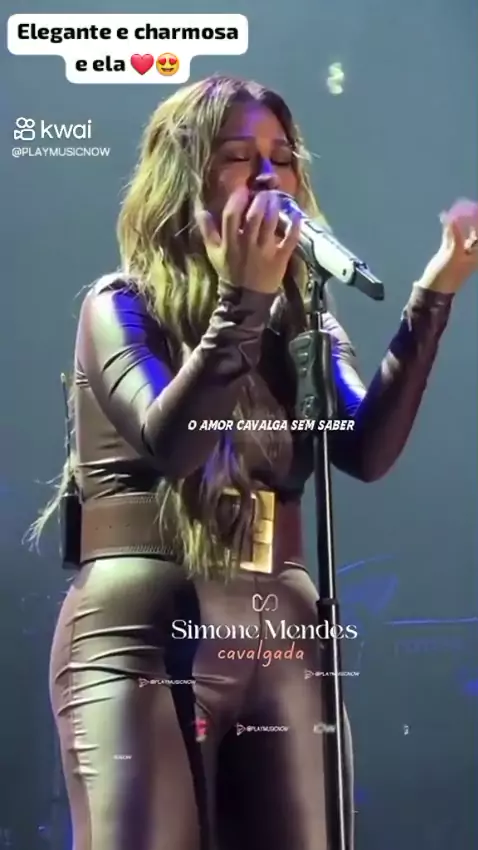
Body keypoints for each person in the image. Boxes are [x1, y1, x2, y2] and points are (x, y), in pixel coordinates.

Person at [33, 75, 478, 850]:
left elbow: (365, 448)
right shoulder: (118, 306)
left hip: (281, 628)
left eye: (283, 156)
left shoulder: (303, 323)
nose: (269, 175)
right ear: (187, 178)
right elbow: (176, 443)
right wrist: (240, 301)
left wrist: (433, 295)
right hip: (143, 628)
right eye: (240, 156)